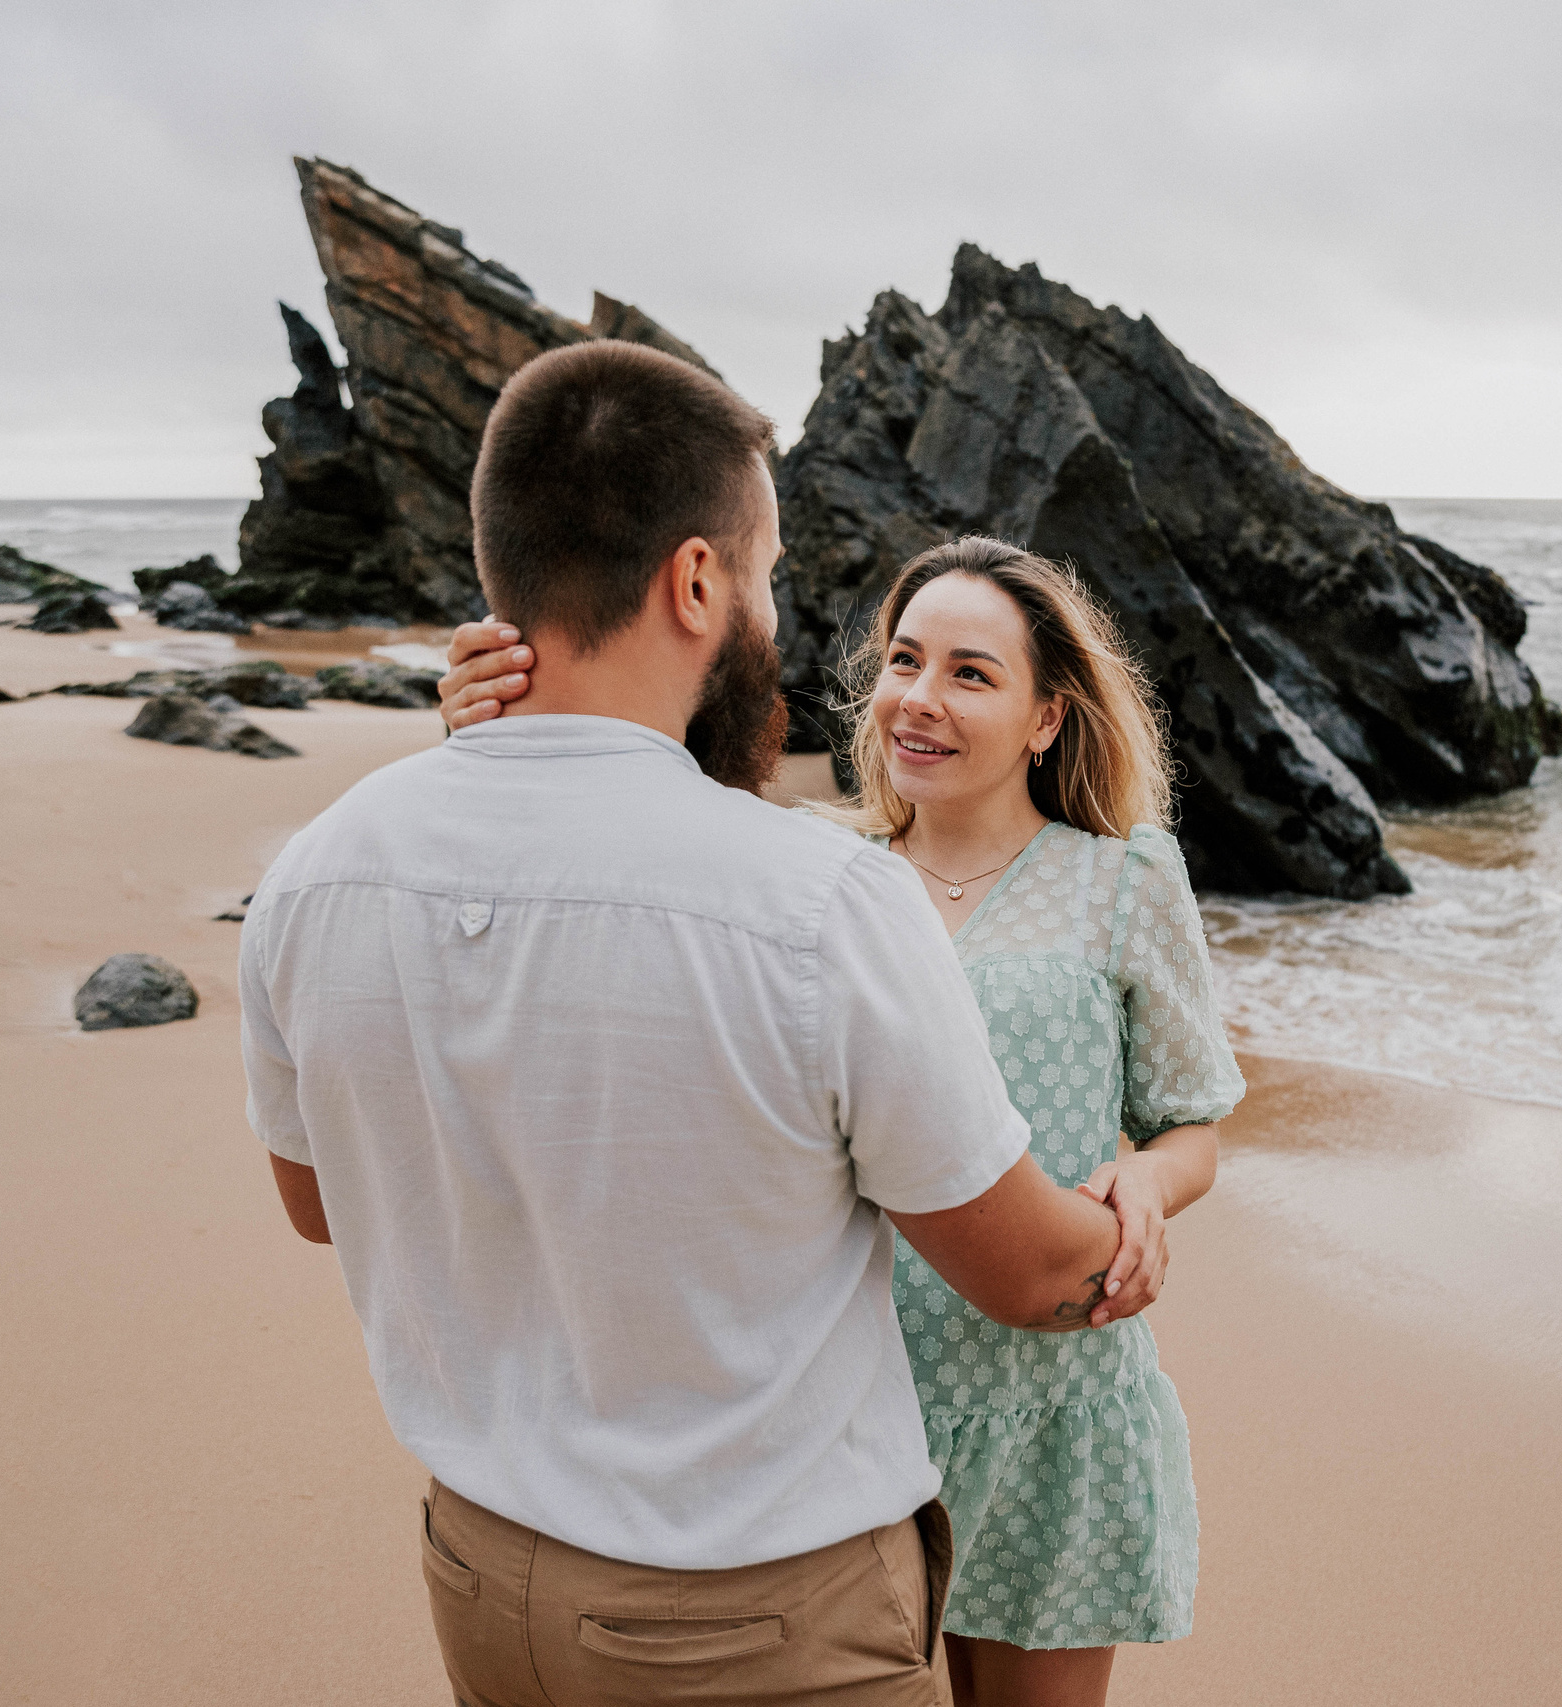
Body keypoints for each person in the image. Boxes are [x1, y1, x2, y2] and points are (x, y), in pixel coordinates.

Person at [243, 342, 1165, 1707]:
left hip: (483, 1582)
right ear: (693, 581)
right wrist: (1127, 1219)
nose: (774, 617)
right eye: (765, 574)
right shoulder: (824, 902)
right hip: (757, 1623)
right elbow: (1030, 1276)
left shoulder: (315, 872)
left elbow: (322, 1202)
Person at [439, 536, 1245, 1707]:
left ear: (1046, 718)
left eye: (971, 673)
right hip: (838, 1405)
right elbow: (617, 850)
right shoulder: (811, 869)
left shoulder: (1125, 880)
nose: (919, 697)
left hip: (1046, 1397)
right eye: (904, 661)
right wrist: (495, 735)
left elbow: (1190, 1124)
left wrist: (1148, 1184)